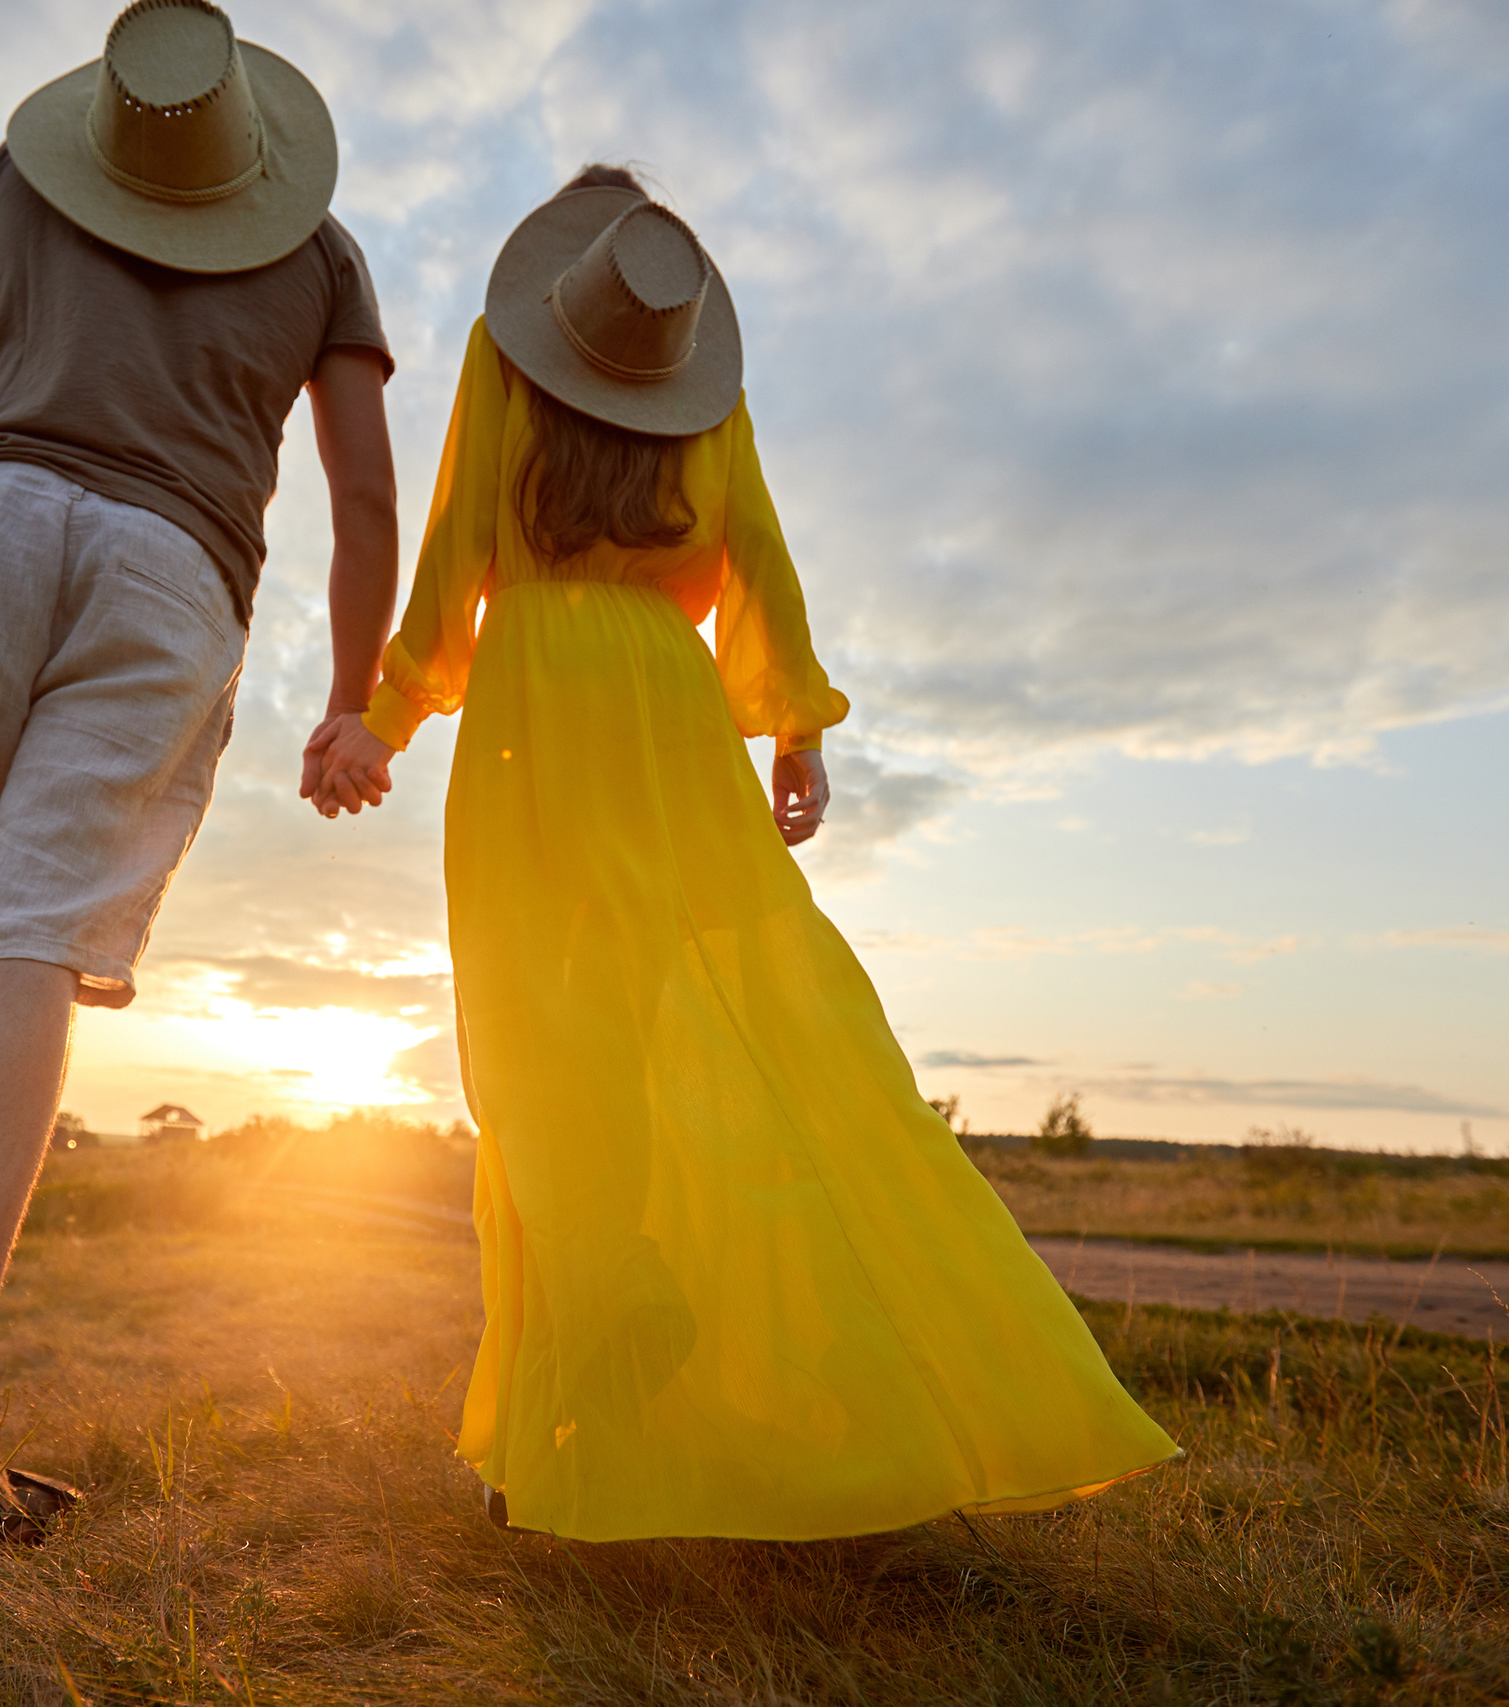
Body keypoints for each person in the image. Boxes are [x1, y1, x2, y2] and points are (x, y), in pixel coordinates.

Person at [306, 168, 1179, 1540]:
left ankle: (609, 1315)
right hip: (668, 711)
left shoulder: (501, 363)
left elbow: (462, 539)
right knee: (663, 1038)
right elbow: (757, 555)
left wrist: (385, 716)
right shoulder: (712, 406)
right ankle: (617, 1393)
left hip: (539, 705)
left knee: (540, 1048)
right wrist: (795, 731)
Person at [0, 0, 401, 1551]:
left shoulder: (17, 172)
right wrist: (352, 694)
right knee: (32, 947)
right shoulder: (322, 253)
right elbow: (366, 486)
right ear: (255, 134)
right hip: (174, 562)